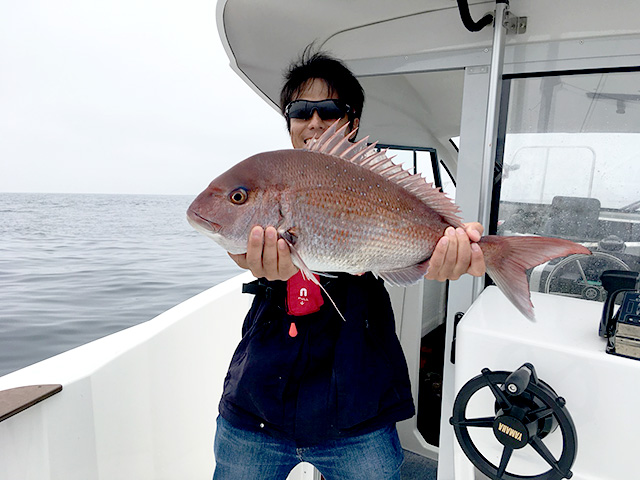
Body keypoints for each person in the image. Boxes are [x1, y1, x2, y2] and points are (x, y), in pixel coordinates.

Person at [213, 50, 485, 480]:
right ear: (289, 122)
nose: (315, 121)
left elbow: (410, 260)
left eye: (330, 110)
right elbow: (238, 246)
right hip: (258, 404)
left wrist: (449, 251)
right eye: (301, 111)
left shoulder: (369, 182)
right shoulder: (272, 179)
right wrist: (247, 260)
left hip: (358, 411)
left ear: (351, 122)